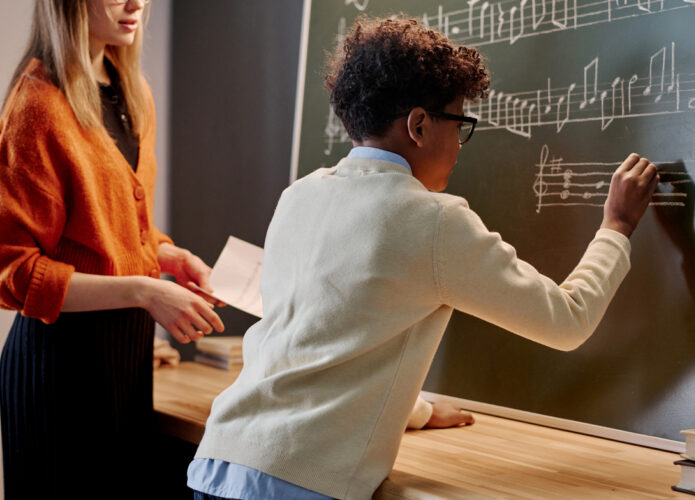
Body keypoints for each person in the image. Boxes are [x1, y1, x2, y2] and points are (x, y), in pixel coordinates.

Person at [188, 16, 658, 500]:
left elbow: (320, 341)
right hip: (301, 482)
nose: (460, 145)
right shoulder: (430, 219)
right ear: (418, 124)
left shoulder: (299, 196)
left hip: (221, 460)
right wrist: (616, 226)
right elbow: (567, 320)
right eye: (459, 124)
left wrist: (418, 412)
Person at [0, 0, 224, 496]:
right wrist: (146, 291)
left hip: (123, 364)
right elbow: (14, 272)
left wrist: (166, 255)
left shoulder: (133, 91)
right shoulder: (37, 105)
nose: (136, 3)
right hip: (58, 371)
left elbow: (108, 229)